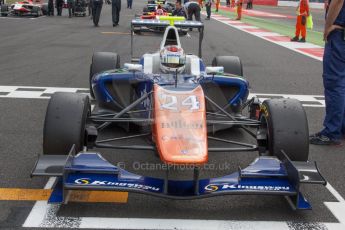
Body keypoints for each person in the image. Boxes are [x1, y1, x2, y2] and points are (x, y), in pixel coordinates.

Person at [310, 0, 345, 145]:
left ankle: (332, 132)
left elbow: (338, 1)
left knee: (334, 82)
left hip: (340, 33)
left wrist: (327, 26)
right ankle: (341, 128)